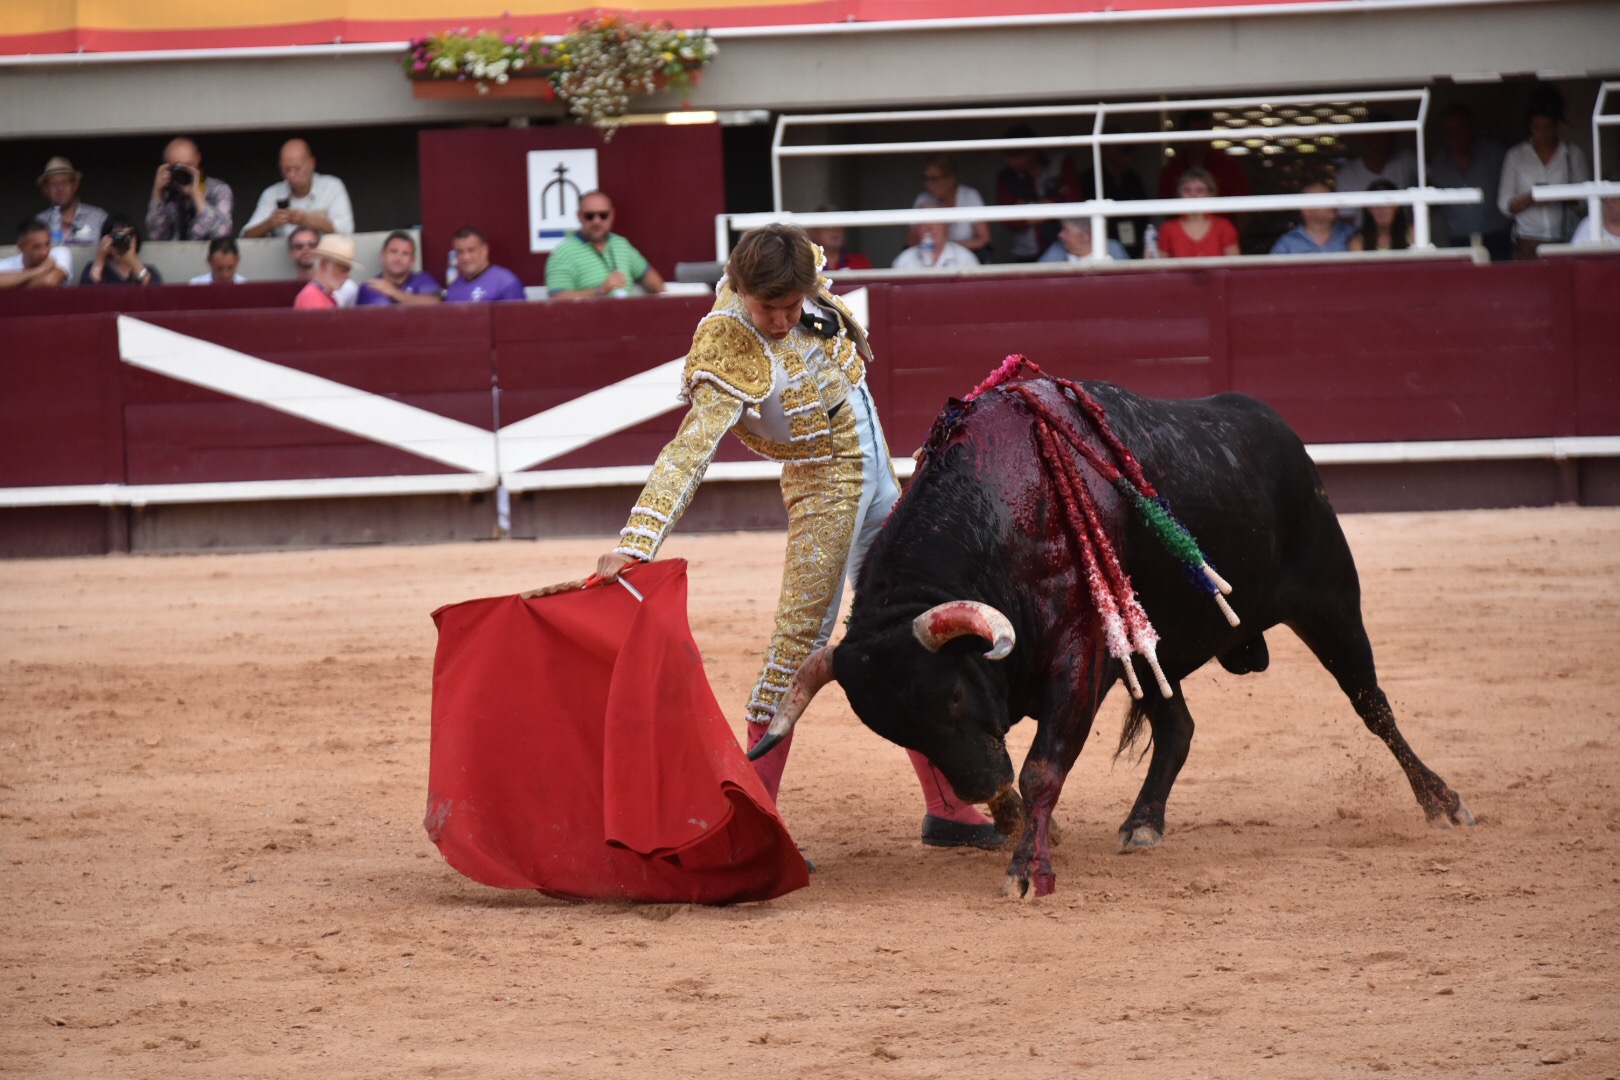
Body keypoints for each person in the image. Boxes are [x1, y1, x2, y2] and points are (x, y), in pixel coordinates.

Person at [589, 222, 1006, 850]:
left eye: (791, 305)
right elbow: (689, 450)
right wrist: (637, 540)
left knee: (911, 630)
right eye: (769, 309)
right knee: (797, 647)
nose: (783, 320)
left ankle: (947, 807)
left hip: (879, 474)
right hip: (824, 487)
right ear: (741, 290)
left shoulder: (800, 267)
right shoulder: (729, 342)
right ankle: (752, 828)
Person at [1499, 85, 1591, 260]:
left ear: (1556, 125)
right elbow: (1504, 204)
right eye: (1537, 128)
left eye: (1548, 128)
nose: (1542, 134)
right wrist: (1530, 198)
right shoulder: (1516, 156)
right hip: (1527, 240)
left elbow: (1586, 201)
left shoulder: (1573, 155)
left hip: (1565, 237)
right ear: (1529, 126)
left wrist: (1559, 195)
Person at [1428, 103, 1512, 260]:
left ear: (1471, 127)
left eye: (1460, 129)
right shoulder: (1437, 165)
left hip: (1497, 240)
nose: (1455, 136)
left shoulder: (1495, 154)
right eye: (1449, 131)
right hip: (1458, 242)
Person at [544, 191, 666, 298]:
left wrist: (663, 297)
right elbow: (557, 298)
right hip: (588, 317)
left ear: (612, 215)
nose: (597, 221)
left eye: (603, 215)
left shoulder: (621, 244)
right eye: (589, 216)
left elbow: (648, 275)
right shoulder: (563, 253)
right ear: (579, 217)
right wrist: (600, 290)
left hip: (626, 315)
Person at [996, 125, 1084, 262]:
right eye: (1007, 156)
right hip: (1026, 255)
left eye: (1017, 156)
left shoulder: (1060, 162)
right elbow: (1010, 221)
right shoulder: (1005, 177)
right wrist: (1057, 202)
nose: (1011, 162)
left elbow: (1074, 201)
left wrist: (1027, 208)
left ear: (1033, 151)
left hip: (1064, 250)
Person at [241, 138, 354, 238]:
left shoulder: (332, 187)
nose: (291, 175)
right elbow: (246, 235)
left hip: (325, 254)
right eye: (286, 169)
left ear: (312, 164)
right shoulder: (271, 194)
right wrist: (269, 224)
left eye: (297, 168)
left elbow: (346, 230)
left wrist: (307, 220)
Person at [1334, 113, 1418, 223]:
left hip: (1405, 232)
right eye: (1378, 137)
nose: (1384, 143)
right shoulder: (1347, 175)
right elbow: (1346, 220)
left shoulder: (1407, 159)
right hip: (1363, 233)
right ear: (1365, 139)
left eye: (1389, 137)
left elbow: (1430, 187)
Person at [145, 137, 234, 241]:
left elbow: (222, 233)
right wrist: (157, 194)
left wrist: (196, 196)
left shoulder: (218, 190)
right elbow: (156, 236)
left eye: (188, 165)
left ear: (198, 159)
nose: (183, 171)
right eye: (177, 167)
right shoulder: (166, 194)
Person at [1155, 110, 1253, 204]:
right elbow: (1165, 207)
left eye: (1205, 132)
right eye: (1196, 132)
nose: (1201, 139)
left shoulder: (1229, 167)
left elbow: (1243, 204)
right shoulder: (1172, 171)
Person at [912, 154, 991, 257]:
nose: (928, 184)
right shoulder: (922, 199)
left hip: (965, 257)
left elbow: (983, 239)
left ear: (950, 179)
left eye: (934, 179)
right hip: (929, 256)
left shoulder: (969, 196)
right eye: (926, 178)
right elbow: (912, 240)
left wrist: (947, 249)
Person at [1156, 169, 1240, 258]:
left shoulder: (1224, 227)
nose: (1193, 194)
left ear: (1210, 195)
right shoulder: (1168, 229)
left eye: (1200, 190)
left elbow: (1235, 265)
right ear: (1179, 195)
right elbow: (1160, 265)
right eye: (1187, 190)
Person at [1270, 181, 1363, 254]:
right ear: (1306, 210)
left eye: (1333, 199)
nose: (1333, 204)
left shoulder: (1352, 234)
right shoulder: (1287, 244)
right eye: (1325, 201)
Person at [34, 156, 107, 246]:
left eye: (64, 183)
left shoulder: (98, 218)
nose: (60, 188)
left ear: (75, 185)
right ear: (46, 189)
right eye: (53, 184)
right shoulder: (37, 223)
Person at [357, 231, 442, 305]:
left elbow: (436, 304)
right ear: (382, 255)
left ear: (412, 260)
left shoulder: (423, 279)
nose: (398, 258)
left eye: (405, 254)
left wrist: (392, 292)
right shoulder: (371, 286)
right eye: (393, 252)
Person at [445, 227, 526, 302]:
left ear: (485, 250)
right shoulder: (453, 289)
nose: (466, 257)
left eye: (471, 250)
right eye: (460, 252)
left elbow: (519, 312)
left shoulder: (505, 283)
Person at [80, 215, 162, 286]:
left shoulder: (149, 271)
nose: (125, 240)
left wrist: (134, 261)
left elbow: (155, 293)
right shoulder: (92, 268)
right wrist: (100, 258)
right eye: (119, 235)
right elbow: (86, 293)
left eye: (130, 234)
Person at [287, 225, 356, 306]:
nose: (348, 276)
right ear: (324, 264)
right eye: (343, 270)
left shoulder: (326, 295)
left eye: (312, 244)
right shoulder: (311, 297)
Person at [0, 217, 71, 289]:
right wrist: (40, 269)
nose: (44, 252)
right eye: (37, 247)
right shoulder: (5, 264)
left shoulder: (59, 253)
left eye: (47, 244)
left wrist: (8, 283)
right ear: (21, 247)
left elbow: (48, 282)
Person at [891, 220, 980, 269]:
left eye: (935, 222)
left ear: (947, 228)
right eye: (924, 223)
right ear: (917, 229)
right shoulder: (904, 260)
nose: (929, 227)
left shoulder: (965, 258)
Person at [805, 207, 871, 271]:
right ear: (813, 232)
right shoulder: (805, 263)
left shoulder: (859, 262)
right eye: (828, 227)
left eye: (838, 227)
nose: (835, 232)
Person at [1038, 217, 1129, 262]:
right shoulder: (1055, 251)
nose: (1060, 235)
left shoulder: (1113, 249)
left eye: (1066, 230)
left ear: (1086, 235)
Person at [1359, 180, 1412, 251]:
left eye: (1387, 203)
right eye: (1376, 203)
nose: (1381, 209)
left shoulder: (1412, 235)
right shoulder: (1358, 242)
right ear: (1368, 208)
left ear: (1397, 206)